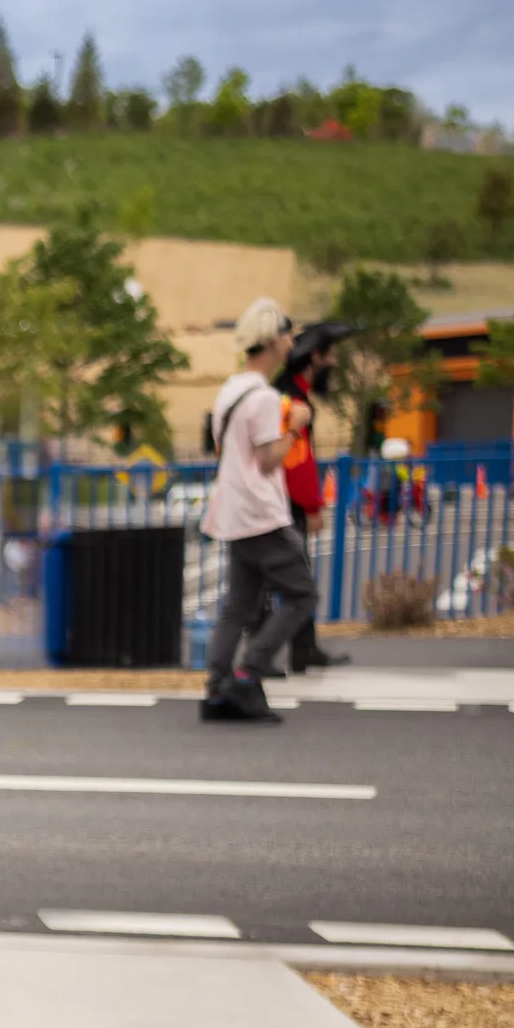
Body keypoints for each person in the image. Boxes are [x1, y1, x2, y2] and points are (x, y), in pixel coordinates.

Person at [199, 298, 317, 725]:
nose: (290, 343)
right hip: (261, 511)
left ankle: (216, 688)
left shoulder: (230, 389)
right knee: (303, 594)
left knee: (238, 604)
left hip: (232, 511)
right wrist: (295, 424)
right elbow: (269, 459)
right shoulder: (266, 398)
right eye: (286, 335)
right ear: (271, 340)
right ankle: (249, 675)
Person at [275, 322, 356, 672]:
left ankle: (303, 649)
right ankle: (262, 658)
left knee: (294, 579)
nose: (334, 361)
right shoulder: (292, 399)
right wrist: (311, 504)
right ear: (315, 356)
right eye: (330, 354)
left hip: (281, 501)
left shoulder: (295, 392)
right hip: (284, 503)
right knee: (294, 582)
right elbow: (298, 461)